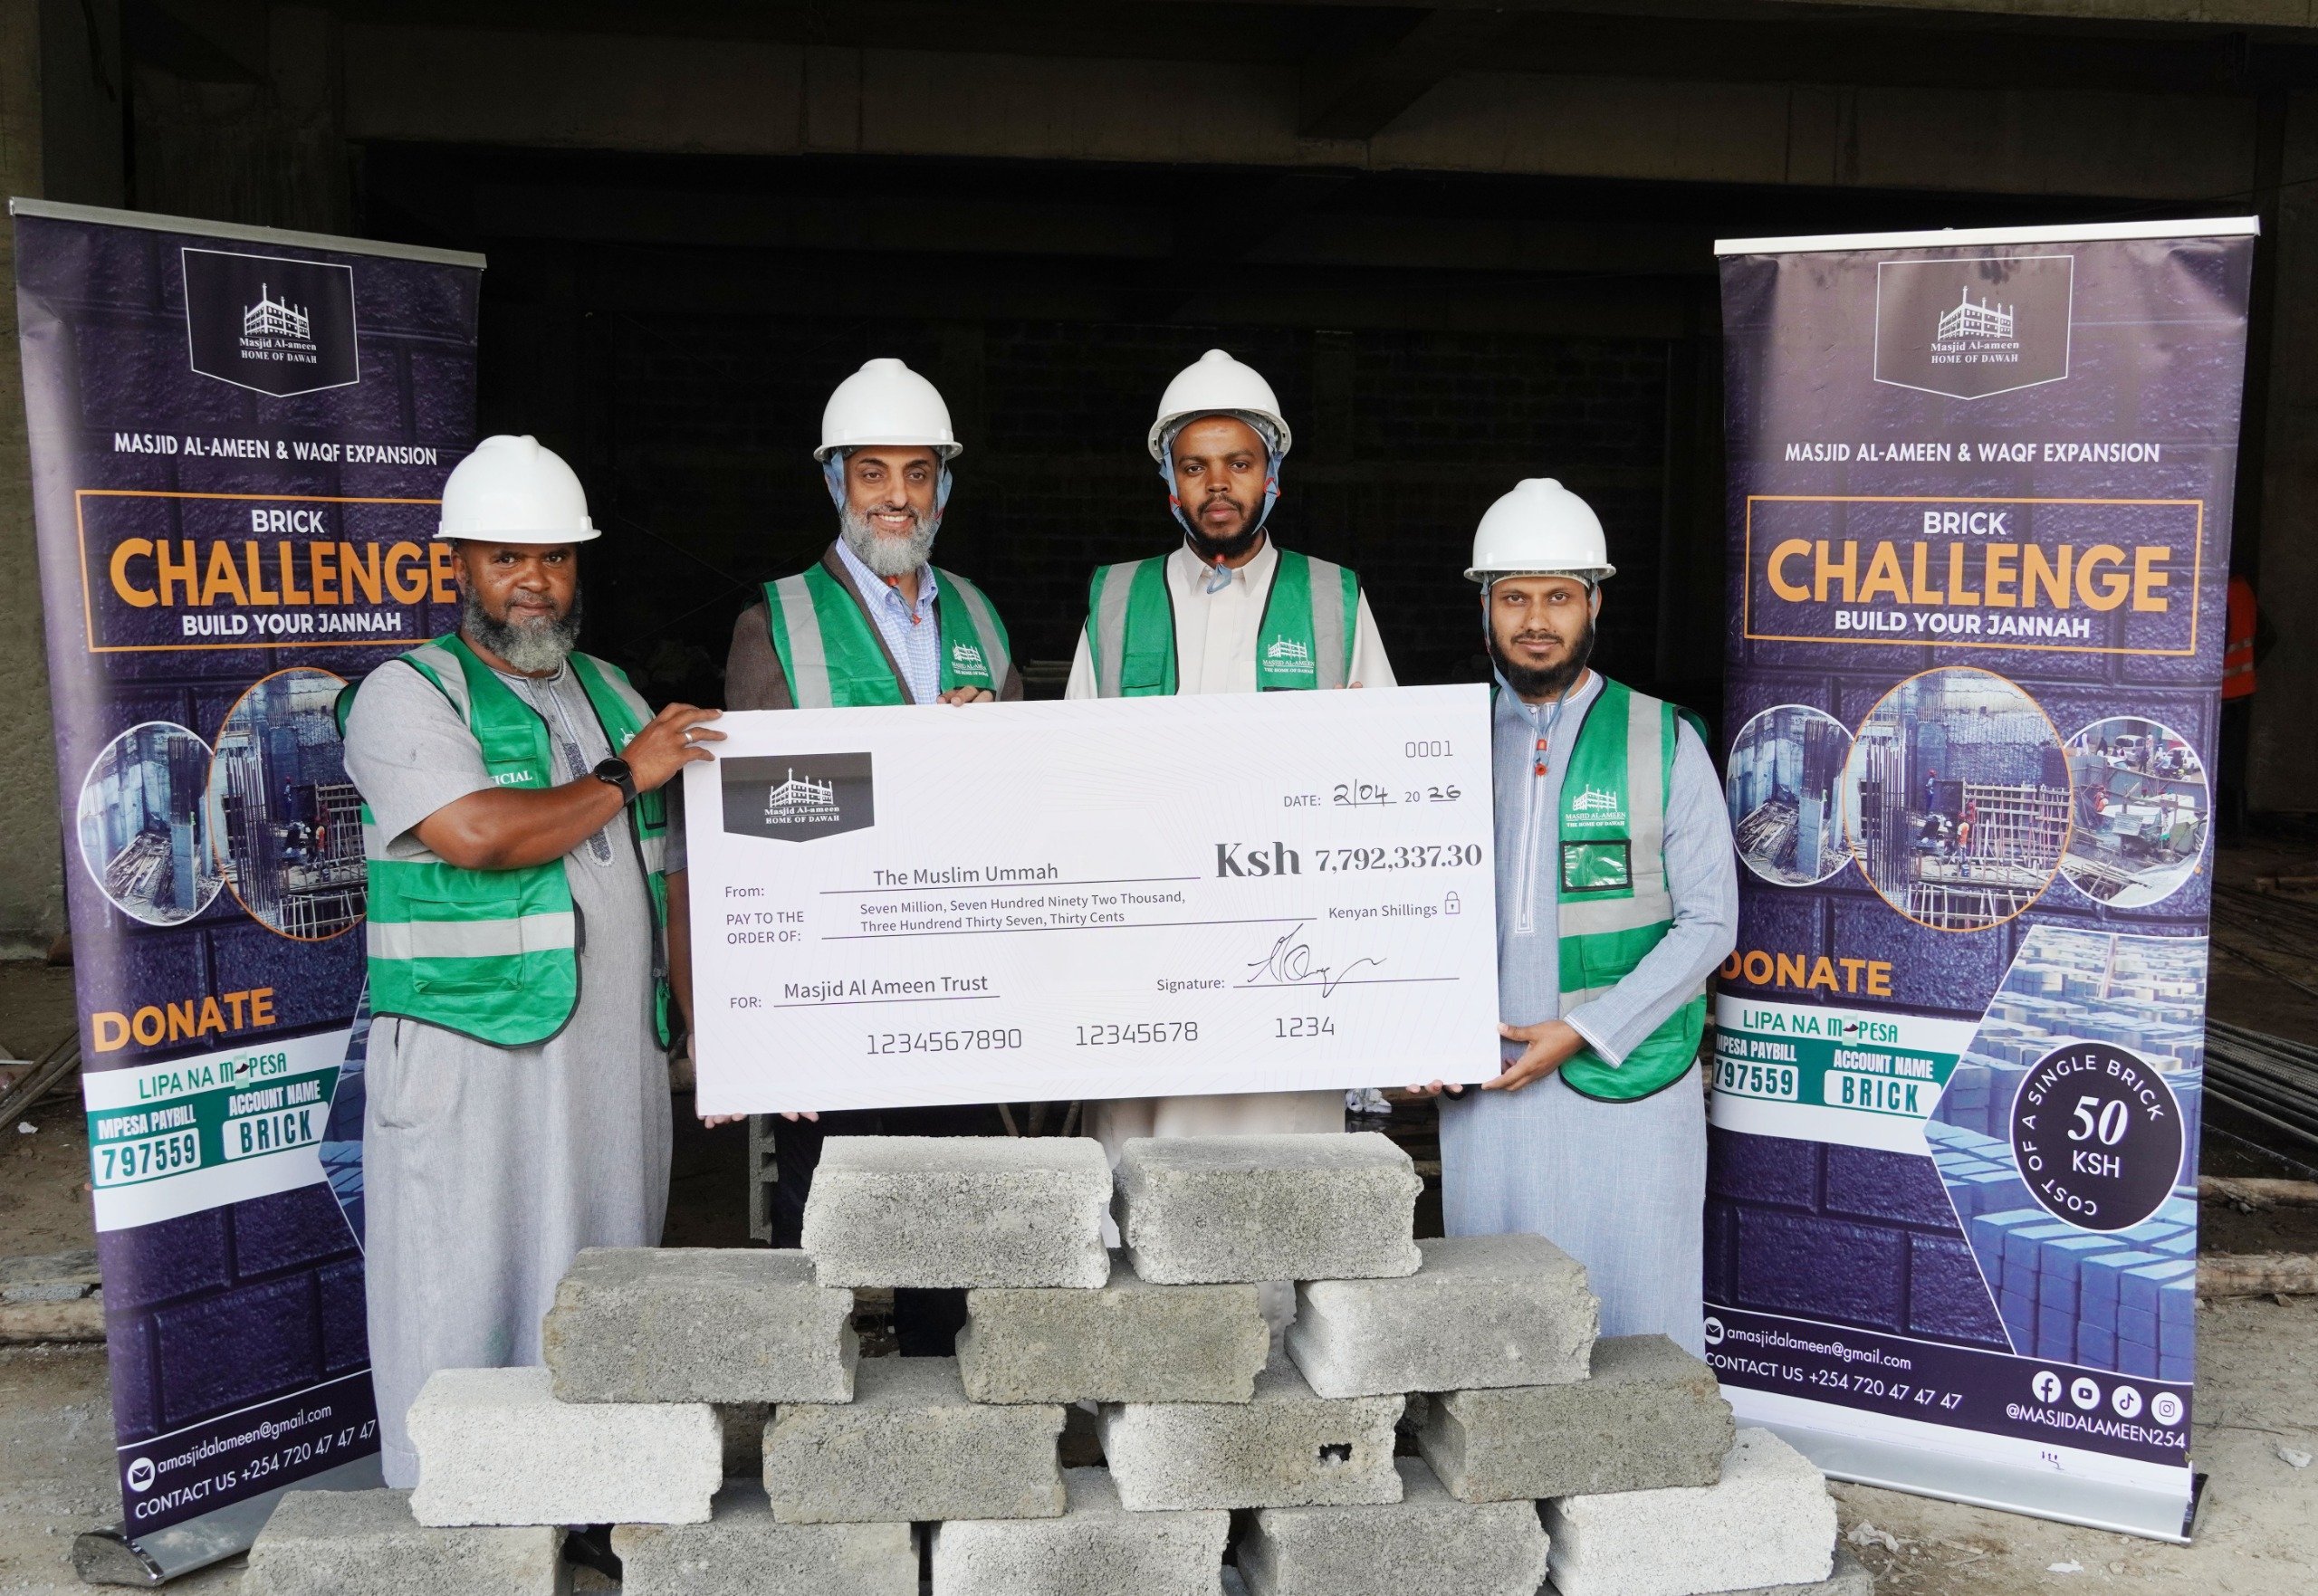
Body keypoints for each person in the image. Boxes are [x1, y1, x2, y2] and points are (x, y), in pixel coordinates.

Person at [340, 435, 720, 1486]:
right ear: (455, 563)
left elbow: (679, 870)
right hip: (475, 1060)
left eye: (554, 557)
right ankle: (461, 1501)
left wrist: (717, 1038)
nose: (533, 583)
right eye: (506, 558)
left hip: (609, 1062)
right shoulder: (409, 694)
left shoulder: (611, 690)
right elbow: (478, 834)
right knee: (468, 1278)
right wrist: (623, 771)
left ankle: (584, 1494)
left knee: (601, 1274)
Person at [1062, 349, 1394, 1327]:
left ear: (1273, 474)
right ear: (1168, 480)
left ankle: (1287, 1373)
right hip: (1150, 959)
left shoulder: (1335, 598)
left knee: (1280, 1174)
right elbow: (1074, 779)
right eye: (1198, 464)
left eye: (1238, 462)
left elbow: (1381, 787)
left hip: (1286, 962)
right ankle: (1144, 1370)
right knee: (1144, 1174)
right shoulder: (1116, 597)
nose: (1219, 484)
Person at [722, 357, 1019, 1352]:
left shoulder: (977, 614)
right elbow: (755, 824)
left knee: (953, 1226)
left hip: (957, 976)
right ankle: (827, 1451)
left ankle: (947, 1432)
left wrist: (990, 748)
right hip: (834, 981)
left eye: (918, 472)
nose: (898, 496)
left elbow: (1032, 797)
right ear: (835, 482)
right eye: (873, 473)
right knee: (831, 1239)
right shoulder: (777, 621)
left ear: (943, 483)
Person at [1411, 477, 1737, 1356]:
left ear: (1594, 602)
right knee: (1499, 1311)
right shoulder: (1434, 740)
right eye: (1513, 597)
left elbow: (1710, 922)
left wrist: (1584, 1027)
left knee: (1635, 1307)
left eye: (1558, 596)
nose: (1535, 619)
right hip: (1488, 1085)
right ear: (1485, 608)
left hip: (1620, 1074)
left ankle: (1642, 1488)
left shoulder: (1660, 735)